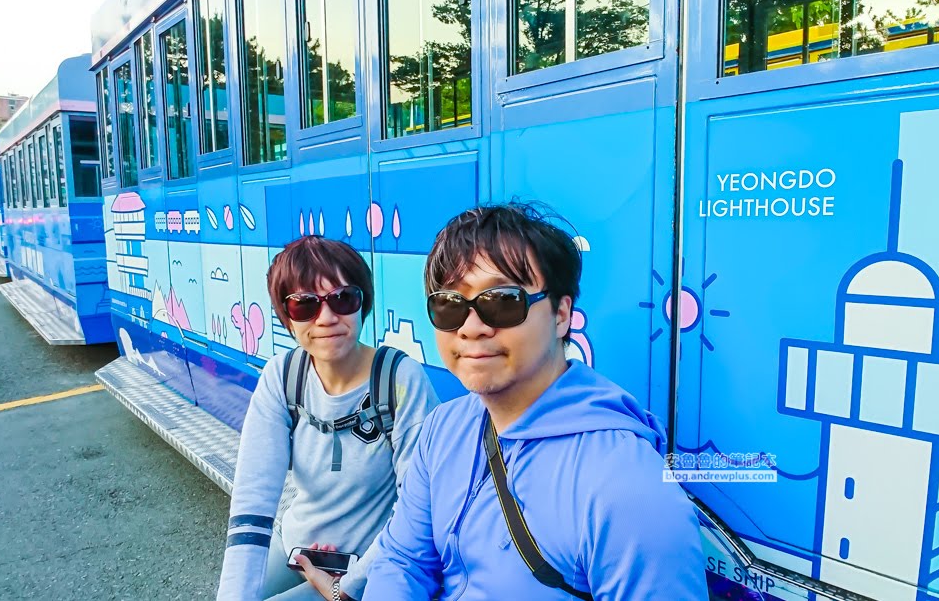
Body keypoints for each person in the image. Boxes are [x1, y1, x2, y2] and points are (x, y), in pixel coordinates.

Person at [363, 202, 708, 600]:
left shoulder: (628, 492)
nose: (471, 328)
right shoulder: (443, 429)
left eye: (502, 301)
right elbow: (403, 559)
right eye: (450, 304)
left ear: (561, 315)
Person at [217, 236, 439, 601]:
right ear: (286, 315)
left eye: (343, 299)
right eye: (304, 305)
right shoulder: (283, 376)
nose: (327, 318)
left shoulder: (399, 379)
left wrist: (343, 589)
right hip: (298, 547)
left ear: (362, 303)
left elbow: (418, 511)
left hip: (371, 561)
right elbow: (253, 500)